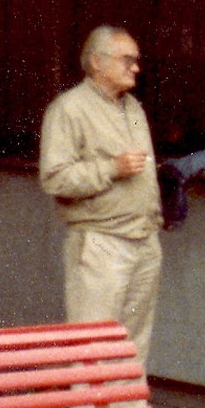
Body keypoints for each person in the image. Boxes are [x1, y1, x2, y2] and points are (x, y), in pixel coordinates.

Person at [39, 25, 163, 370]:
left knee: (132, 349)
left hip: (144, 239)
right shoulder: (68, 109)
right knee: (93, 348)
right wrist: (110, 168)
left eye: (136, 61)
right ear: (97, 62)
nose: (135, 68)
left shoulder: (133, 107)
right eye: (127, 60)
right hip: (101, 244)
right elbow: (54, 178)